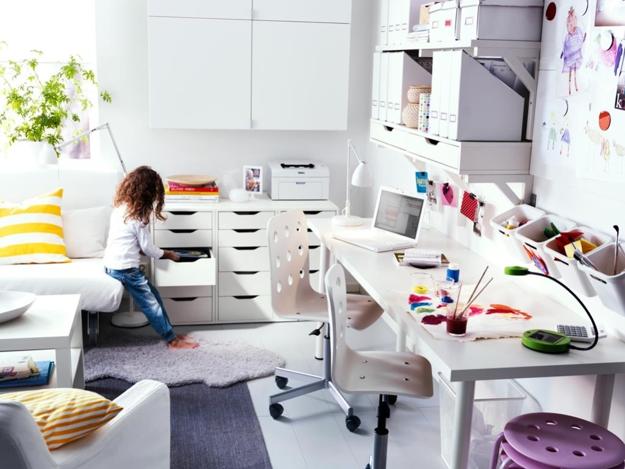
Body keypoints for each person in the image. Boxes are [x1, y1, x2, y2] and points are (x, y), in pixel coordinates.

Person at [104, 166, 199, 350]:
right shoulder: (138, 216)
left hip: (111, 264)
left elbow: (124, 240)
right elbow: (148, 248)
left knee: (154, 295)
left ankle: (169, 331)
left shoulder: (120, 209)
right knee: (151, 305)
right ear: (148, 194)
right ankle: (172, 340)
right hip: (126, 269)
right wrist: (168, 254)